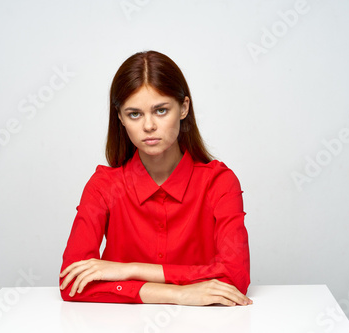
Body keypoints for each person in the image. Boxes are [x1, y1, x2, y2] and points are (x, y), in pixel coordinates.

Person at [59, 50, 251, 306]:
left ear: (183, 108)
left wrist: (129, 270)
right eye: (134, 114)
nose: (148, 126)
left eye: (160, 111)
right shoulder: (103, 186)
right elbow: (72, 283)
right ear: (120, 117)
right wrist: (178, 294)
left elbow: (235, 276)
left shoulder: (219, 182)